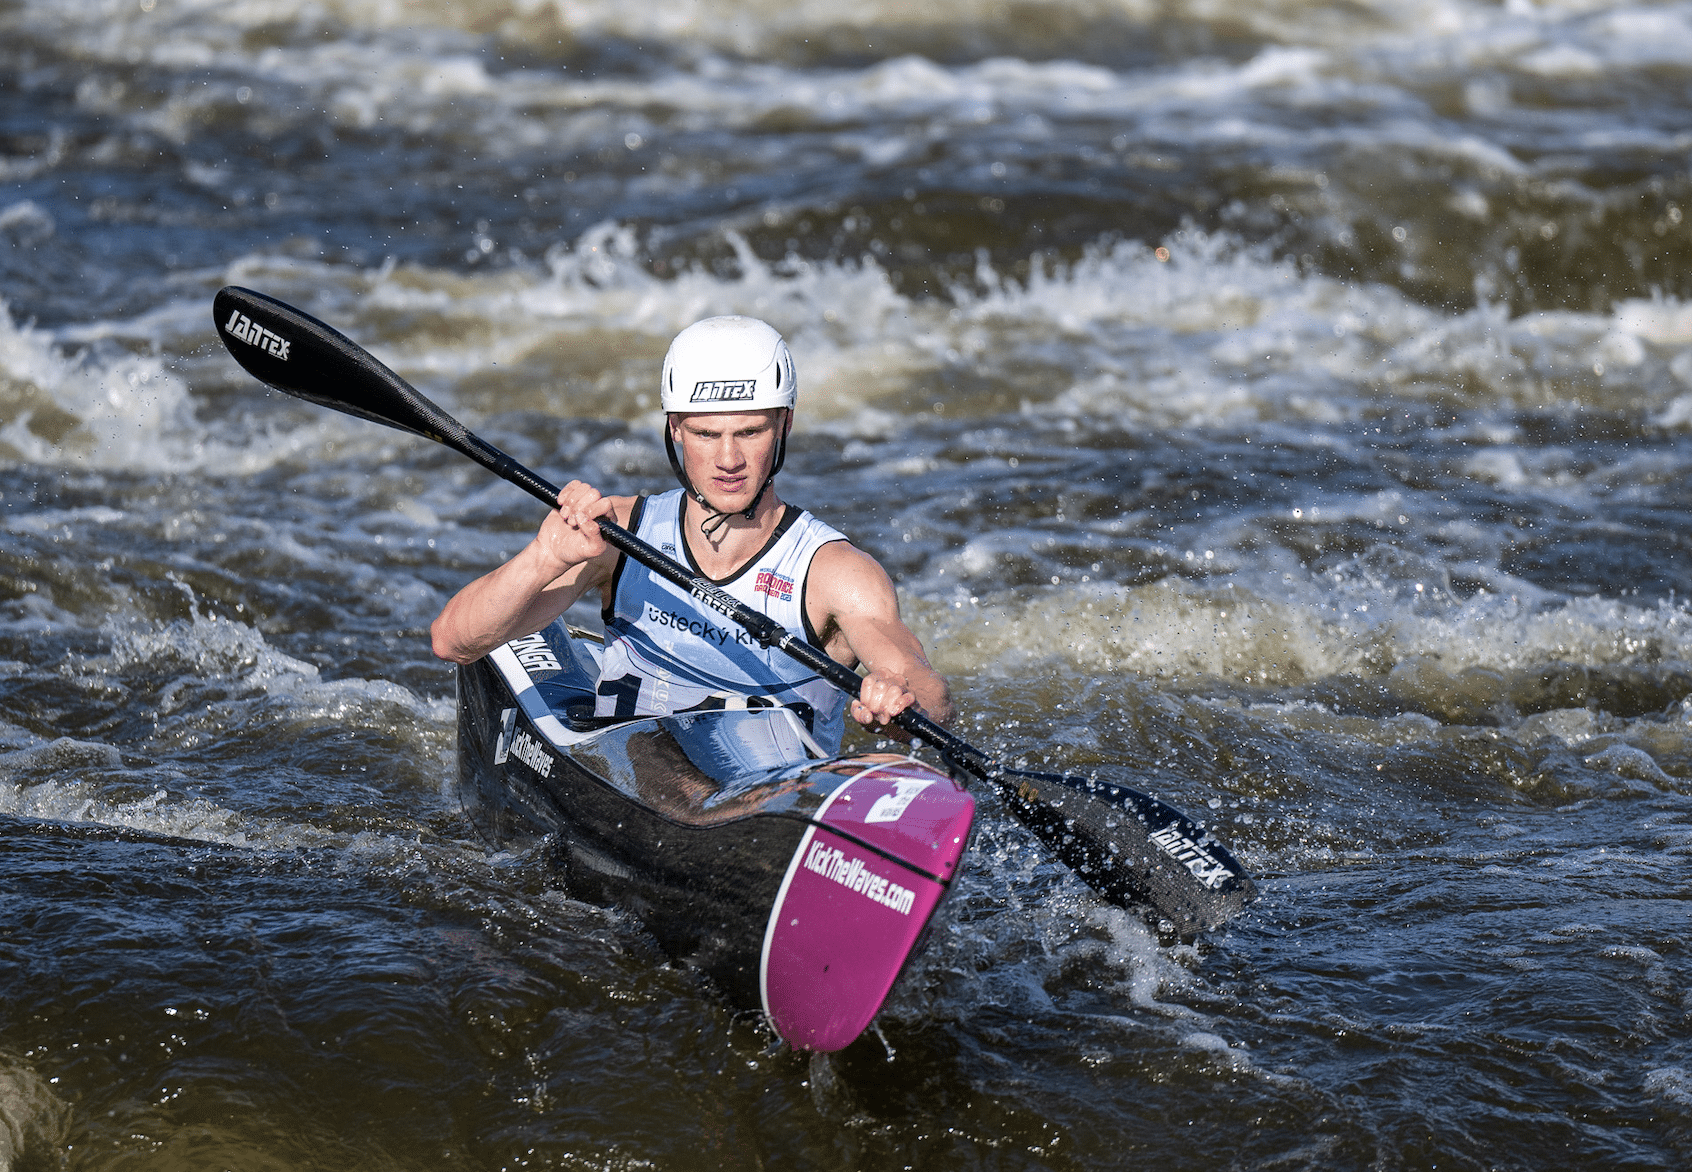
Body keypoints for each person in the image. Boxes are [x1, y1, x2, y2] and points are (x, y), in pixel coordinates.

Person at [430, 315, 952, 753]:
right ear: (675, 428)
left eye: (750, 431)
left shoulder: (834, 573)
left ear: (784, 426)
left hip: (766, 807)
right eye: (706, 434)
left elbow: (926, 685)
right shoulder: (620, 533)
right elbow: (454, 641)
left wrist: (899, 698)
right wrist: (542, 558)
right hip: (634, 784)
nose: (729, 460)